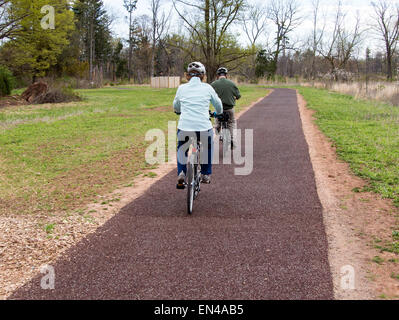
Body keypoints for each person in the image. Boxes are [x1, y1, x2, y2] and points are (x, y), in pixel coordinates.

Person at [173, 62, 223, 186]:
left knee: (182, 148)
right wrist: (219, 112)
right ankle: (205, 174)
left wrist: (178, 111)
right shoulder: (207, 88)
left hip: (185, 126)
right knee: (208, 146)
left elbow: (176, 105)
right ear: (203, 75)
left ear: (187, 76)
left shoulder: (181, 88)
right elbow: (218, 104)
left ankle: (181, 173)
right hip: (203, 127)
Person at [211, 67, 241, 149]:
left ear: (218, 75)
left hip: (219, 109)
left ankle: (218, 130)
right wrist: (235, 98)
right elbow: (238, 95)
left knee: (217, 122)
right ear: (226, 75)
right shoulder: (232, 83)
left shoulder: (213, 84)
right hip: (229, 109)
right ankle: (232, 139)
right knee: (232, 123)